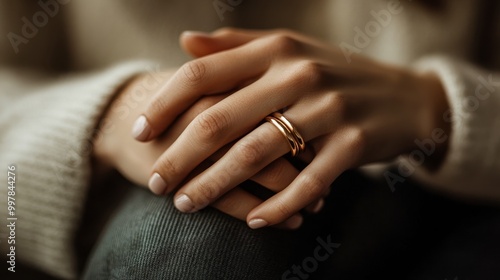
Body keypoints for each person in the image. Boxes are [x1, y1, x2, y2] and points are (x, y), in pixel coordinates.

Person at [1, 0, 500, 279]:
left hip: (447, 187)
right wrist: (103, 114)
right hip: (114, 185)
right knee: (199, 230)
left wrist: (438, 106)